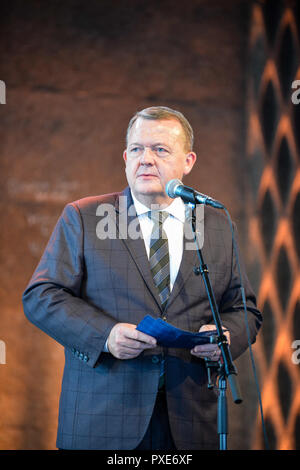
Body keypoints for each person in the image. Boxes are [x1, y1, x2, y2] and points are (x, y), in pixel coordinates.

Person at [22, 106, 262, 450]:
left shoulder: (218, 225)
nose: (146, 159)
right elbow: (41, 296)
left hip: (190, 422)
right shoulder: (85, 216)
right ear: (125, 157)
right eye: (137, 149)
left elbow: (245, 311)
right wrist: (105, 335)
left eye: (160, 149)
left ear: (188, 161)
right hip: (103, 420)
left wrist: (226, 337)